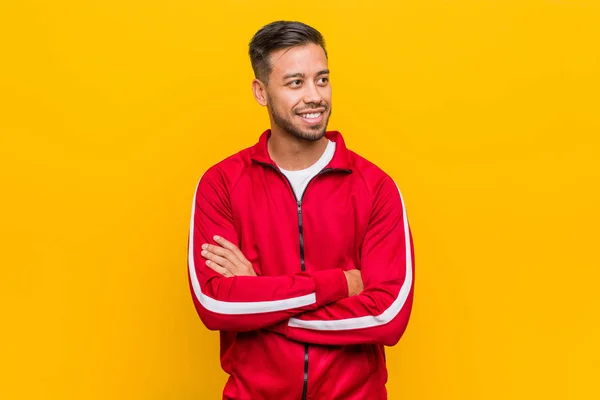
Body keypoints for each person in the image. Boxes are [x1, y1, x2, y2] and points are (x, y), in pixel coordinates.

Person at [187, 20, 415, 400]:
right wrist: (339, 284)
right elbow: (216, 304)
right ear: (261, 92)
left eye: (321, 80)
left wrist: (261, 301)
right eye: (295, 83)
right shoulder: (221, 185)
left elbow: (387, 316)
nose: (315, 96)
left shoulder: (375, 187)